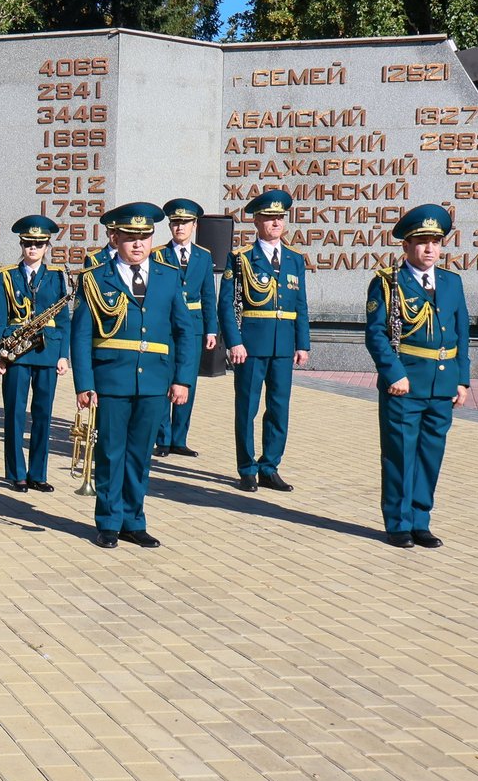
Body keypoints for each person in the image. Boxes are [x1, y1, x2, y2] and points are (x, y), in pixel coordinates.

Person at [71, 203, 197, 549]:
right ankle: (108, 522)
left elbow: (185, 331)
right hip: (111, 380)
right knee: (110, 453)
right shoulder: (95, 279)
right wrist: (84, 383)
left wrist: (182, 379)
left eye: (144, 237)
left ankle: (133, 520)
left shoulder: (168, 276)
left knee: (141, 455)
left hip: (154, 381)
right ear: (114, 237)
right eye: (130, 237)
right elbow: (80, 335)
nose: (138, 244)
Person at [366, 205, 470, 549]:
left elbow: (461, 334)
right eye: (422, 242)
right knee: (400, 454)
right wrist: (394, 373)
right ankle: (398, 522)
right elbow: (377, 333)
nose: (430, 249)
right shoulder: (388, 283)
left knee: (429, 455)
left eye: (436, 242)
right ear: (406, 246)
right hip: (405, 384)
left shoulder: (452, 282)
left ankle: (421, 520)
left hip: (441, 385)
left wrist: (462, 379)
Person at [219, 189, 310, 492]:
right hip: (251, 344)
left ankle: (270, 466)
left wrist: (302, 343)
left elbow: (300, 304)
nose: (275, 223)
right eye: (269, 218)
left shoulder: (295, 259)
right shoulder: (242, 258)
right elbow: (227, 304)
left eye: (279, 218)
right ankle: (246, 468)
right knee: (247, 407)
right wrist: (234, 342)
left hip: (283, 346)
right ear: (256, 220)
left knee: (279, 407)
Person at [0, 215, 70, 492]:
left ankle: (38, 473)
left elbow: (64, 318)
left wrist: (63, 355)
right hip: (16, 352)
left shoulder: (58, 275)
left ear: (47, 246)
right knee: (14, 413)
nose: (32, 249)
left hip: (48, 350)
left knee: (43, 415)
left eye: (38, 244)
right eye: (28, 243)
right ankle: (17, 473)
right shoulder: (7, 275)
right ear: (21, 244)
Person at [152, 198, 220, 458]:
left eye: (184, 223)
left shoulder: (204, 256)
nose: (179, 227)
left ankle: (180, 438)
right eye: (175, 223)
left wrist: (211, 330)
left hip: (192, 327)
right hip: (165, 326)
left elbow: (208, 295)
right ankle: (163, 439)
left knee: (187, 381)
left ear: (194, 225)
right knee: (163, 381)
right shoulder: (158, 255)